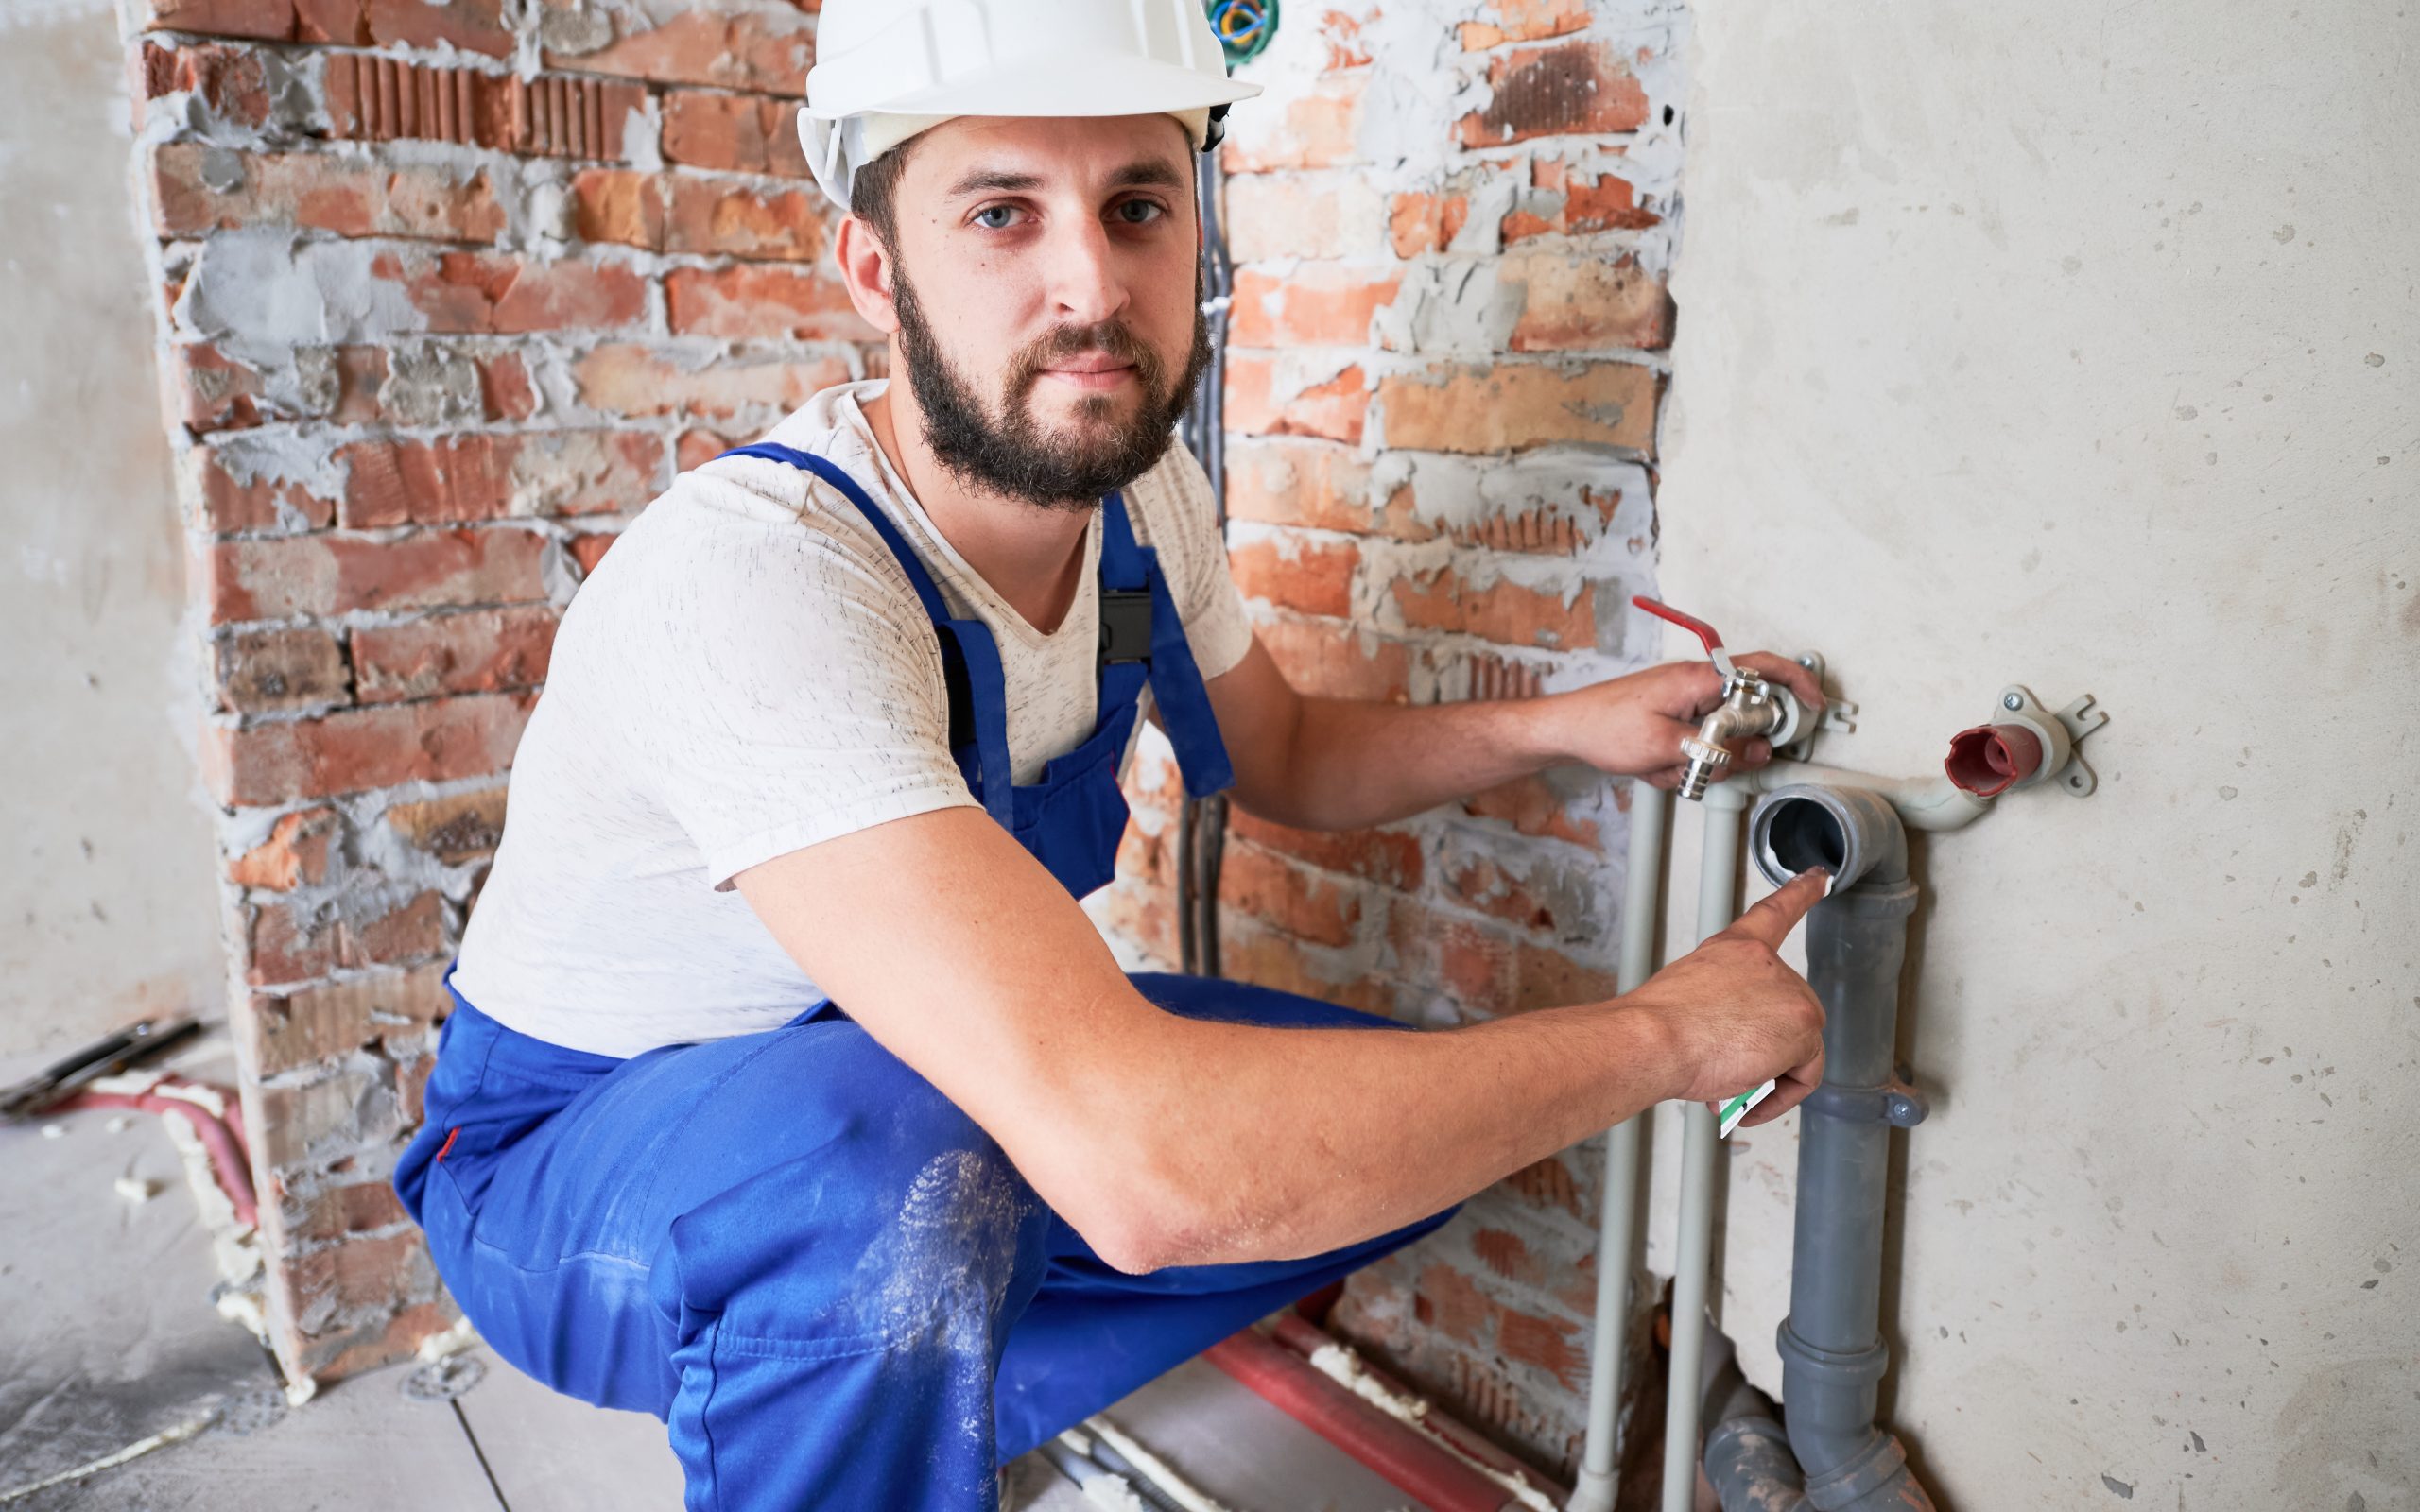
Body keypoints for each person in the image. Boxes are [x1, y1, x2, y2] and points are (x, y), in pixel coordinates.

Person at [393, 1, 1833, 1505]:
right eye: (1002, 213)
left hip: (884, 1087)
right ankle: (847, 1408)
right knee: (928, 1170)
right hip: (568, 1162)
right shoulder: (766, 576)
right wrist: (1669, 1037)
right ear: (876, 275)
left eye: (1136, 206)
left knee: (1376, 1113)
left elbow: (1287, 757)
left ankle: (918, 1402)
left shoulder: (1142, 507)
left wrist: (1565, 725)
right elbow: (1152, 1176)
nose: (1092, 285)